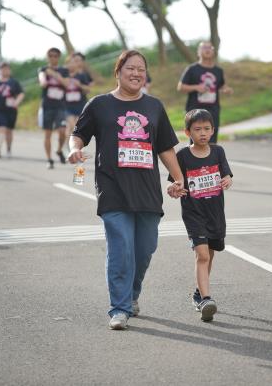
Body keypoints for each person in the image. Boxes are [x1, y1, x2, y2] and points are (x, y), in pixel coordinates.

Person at [68, 49, 185, 330]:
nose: (136, 74)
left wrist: (178, 178)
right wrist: (74, 150)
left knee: (144, 249)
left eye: (141, 70)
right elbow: (78, 134)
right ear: (118, 72)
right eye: (130, 68)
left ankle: (132, 294)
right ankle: (119, 308)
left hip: (146, 189)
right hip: (113, 188)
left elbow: (166, 147)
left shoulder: (154, 106)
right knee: (121, 249)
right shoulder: (99, 104)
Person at [168, 108, 233, 322]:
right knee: (202, 255)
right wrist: (174, 190)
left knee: (210, 253)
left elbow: (226, 175)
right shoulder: (183, 156)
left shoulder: (218, 152)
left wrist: (227, 180)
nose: (203, 133)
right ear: (188, 133)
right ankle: (206, 299)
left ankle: (198, 293)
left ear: (213, 130)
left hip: (215, 213)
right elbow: (174, 184)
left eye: (207, 129)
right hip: (194, 213)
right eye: (197, 129)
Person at [177, 41, 233, 143]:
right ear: (198, 52)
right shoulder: (192, 69)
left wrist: (226, 89)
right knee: (196, 140)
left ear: (213, 52)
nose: (207, 50)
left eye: (210, 48)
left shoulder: (218, 71)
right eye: (204, 48)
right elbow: (180, 87)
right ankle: (193, 158)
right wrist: (196, 87)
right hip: (194, 109)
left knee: (212, 139)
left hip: (213, 110)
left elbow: (221, 85)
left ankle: (211, 159)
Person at [38, 47, 69, 169]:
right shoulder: (43, 69)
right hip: (47, 106)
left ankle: (59, 150)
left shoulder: (63, 70)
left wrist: (54, 74)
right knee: (48, 134)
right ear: (47, 57)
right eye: (50, 55)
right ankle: (49, 159)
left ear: (59, 57)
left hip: (60, 106)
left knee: (62, 132)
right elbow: (42, 82)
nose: (53, 58)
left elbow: (66, 83)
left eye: (55, 56)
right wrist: (46, 75)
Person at [0, 61, 24, 158]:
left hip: (11, 109)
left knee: (9, 131)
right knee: (1, 128)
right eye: (2, 68)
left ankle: (8, 149)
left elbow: (21, 93)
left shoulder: (14, 82)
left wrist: (17, 102)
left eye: (6, 68)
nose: (4, 70)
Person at [65, 54, 93, 138]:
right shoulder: (63, 76)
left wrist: (79, 85)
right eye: (69, 63)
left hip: (80, 104)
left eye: (74, 62)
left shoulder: (82, 76)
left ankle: (75, 147)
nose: (72, 65)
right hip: (67, 106)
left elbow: (88, 89)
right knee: (72, 125)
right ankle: (69, 148)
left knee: (75, 127)